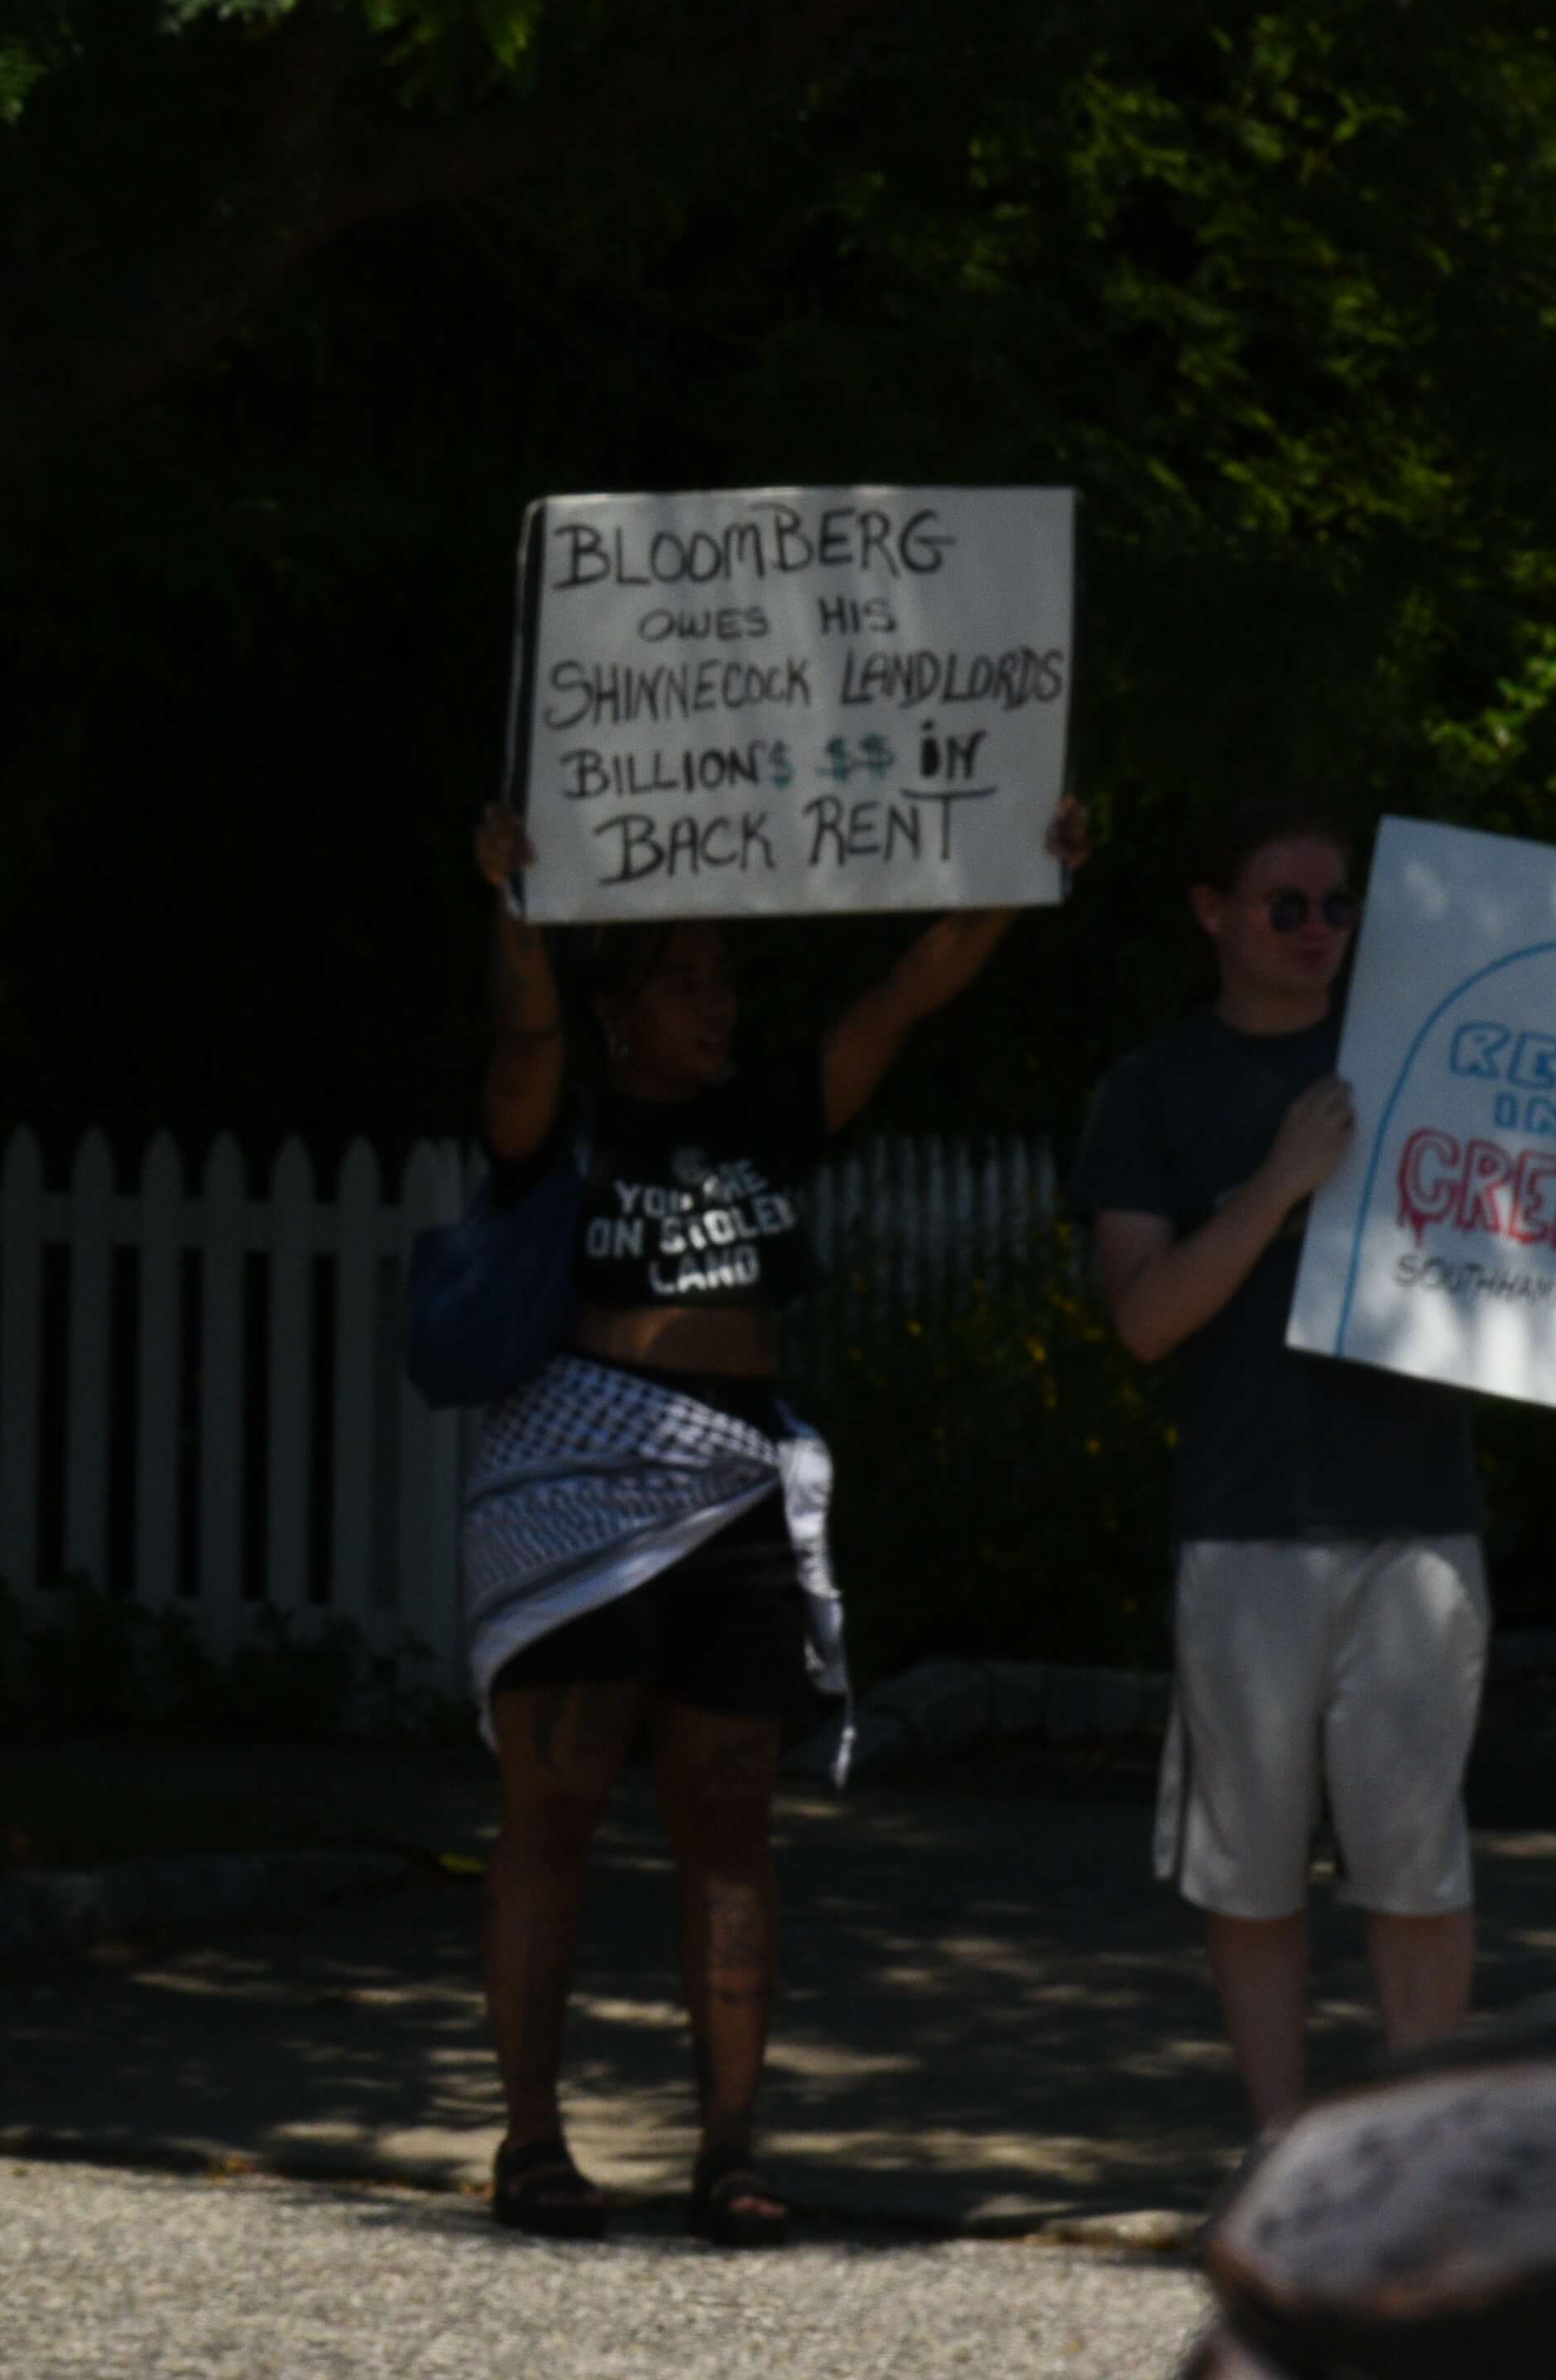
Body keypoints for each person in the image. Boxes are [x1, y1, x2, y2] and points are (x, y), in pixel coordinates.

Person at [1071, 796, 1556, 2142]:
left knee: (1414, 1860)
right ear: (1211, 914)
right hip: (1242, 1525)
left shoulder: (1424, 1046)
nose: (1316, 929)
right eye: (1283, 904)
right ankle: (1282, 2155)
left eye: (1337, 905)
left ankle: (1416, 2154)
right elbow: (1143, 1320)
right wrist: (1278, 1186)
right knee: (1249, 1871)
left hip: (1419, 1516)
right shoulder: (1152, 1090)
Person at [456, 794, 1085, 2246]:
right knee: (552, 1809)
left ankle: (730, 2149)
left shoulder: (757, 1119)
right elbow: (523, 1037)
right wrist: (509, 900)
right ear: (619, 1011)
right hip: (580, 1494)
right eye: (686, 981)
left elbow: (898, 999)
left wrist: (1016, 877)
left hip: (734, 1487)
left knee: (729, 1819)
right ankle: (533, 2141)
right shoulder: (558, 1125)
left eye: (727, 979)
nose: (718, 1004)